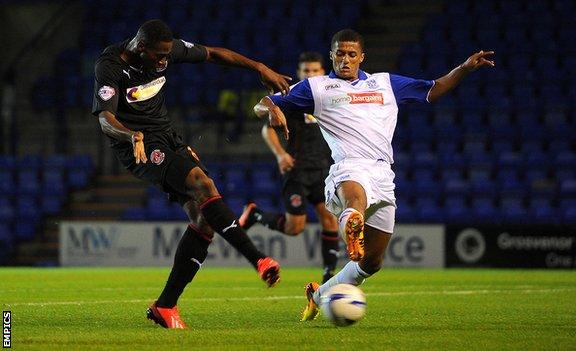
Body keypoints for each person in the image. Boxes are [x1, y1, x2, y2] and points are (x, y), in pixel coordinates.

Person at [253, 29, 494, 321]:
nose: (345, 59)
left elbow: (433, 89)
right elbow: (262, 103)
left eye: (351, 54)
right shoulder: (317, 87)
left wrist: (464, 68)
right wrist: (271, 108)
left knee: (372, 263)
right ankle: (352, 222)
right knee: (355, 199)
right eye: (339, 53)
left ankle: (318, 294)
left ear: (361, 57)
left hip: (383, 174)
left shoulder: (385, 83)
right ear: (331, 55)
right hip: (349, 166)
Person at [92, 19, 292, 329]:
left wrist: (259, 67)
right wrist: (131, 135)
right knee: (203, 183)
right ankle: (258, 259)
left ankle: (165, 306)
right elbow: (105, 119)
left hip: (168, 138)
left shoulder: (166, 51)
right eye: (159, 57)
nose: (164, 62)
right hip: (136, 146)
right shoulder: (109, 67)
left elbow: (213, 54)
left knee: (203, 220)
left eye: (167, 56)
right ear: (141, 48)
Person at [239, 52, 340, 284]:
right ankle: (256, 213)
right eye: (306, 71)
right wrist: (281, 154)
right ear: (299, 73)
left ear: (322, 72)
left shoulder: (329, 96)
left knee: (329, 219)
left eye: (315, 70)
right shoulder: (293, 96)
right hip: (296, 169)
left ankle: (328, 275)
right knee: (296, 228)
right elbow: (263, 118)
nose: (311, 74)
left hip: (323, 169)